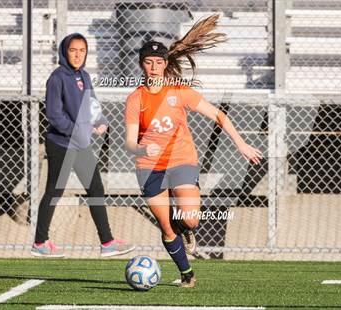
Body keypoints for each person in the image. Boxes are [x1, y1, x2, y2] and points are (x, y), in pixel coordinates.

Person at [124, 15, 262, 287]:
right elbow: (129, 142)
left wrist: (241, 143)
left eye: (159, 62)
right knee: (165, 227)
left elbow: (218, 114)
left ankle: (185, 229)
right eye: (148, 62)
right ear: (142, 65)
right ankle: (187, 275)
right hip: (149, 166)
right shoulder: (134, 99)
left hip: (181, 161)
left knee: (191, 218)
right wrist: (142, 147)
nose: (153, 67)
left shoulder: (179, 92)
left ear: (165, 65)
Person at [31, 33, 134, 258]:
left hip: (80, 144)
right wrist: (81, 130)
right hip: (61, 144)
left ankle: (107, 243)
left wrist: (101, 121)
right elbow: (54, 115)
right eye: (73, 50)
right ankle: (40, 242)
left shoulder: (85, 77)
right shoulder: (57, 78)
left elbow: (92, 105)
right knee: (54, 191)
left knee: (95, 189)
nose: (78, 55)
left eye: (82, 51)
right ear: (65, 52)